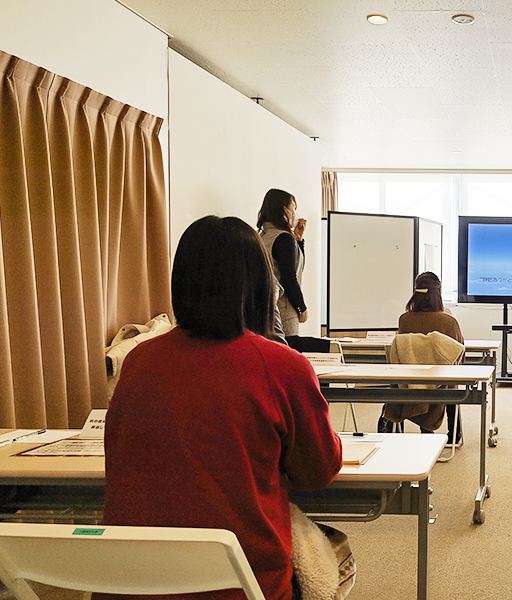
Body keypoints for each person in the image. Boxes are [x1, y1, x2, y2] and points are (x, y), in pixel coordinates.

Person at [104, 216, 343, 600]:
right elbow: (318, 472)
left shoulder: (138, 362)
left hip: (131, 585)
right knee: (335, 554)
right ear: (262, 285)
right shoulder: (282, 366)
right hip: (243, 586)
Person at [380, 271, 465, 443]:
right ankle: (453, 435)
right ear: (438, 293)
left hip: (408, 383)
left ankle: (396, 429)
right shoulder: (448, 322)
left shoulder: (404, 320)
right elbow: (459, 355)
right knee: (451, 380)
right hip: (440, 386)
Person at [258, 189, 307, 337]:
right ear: (284, 211)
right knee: (289, 348)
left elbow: (295, 267)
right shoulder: (284, 238)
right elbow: (289, 277)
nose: (294, 215)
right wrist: (301, 307)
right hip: (284, 308)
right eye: (293, 209)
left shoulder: (261, 236)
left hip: (265, 308)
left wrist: (298, 240)